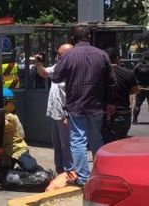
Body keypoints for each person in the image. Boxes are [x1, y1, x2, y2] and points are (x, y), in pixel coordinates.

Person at [51, 25, 117, 186]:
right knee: (96, 139)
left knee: (78, 141)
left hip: (76, 106)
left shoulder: (68, 56)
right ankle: (100, 174)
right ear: (89, 37)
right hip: (96, 106)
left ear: (72, 39)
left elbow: (56, 77)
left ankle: (83, 178)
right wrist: (110, 103)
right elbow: (112, 82)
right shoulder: (102, 55)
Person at [0, 88, 53, 187]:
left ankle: (41, 172)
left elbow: (20, 132)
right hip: (6, 152)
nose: (12, 105)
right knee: (3, 172)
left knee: (31, 167)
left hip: (17, 149)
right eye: (10, 102)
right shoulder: (1, 115)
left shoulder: (10, 117)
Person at [35, 44, 74, 175]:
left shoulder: (74, 69)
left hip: (65, 113)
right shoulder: (58, 66)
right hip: (55, 112)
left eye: (61, 56)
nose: (58, 58)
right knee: (57, 145)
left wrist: (69, 115)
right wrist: (38, 63)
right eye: (58, 55)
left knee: (67, 145)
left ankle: (70, 171)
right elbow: (44, 73)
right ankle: (60, 170)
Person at [101, 48, 139, 143]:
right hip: (123, 113)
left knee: (104, 145)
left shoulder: (99, 73)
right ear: (118, 58)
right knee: (120, 144)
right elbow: (135, 90)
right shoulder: (128, 73)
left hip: (103, 113)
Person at [133, 52, 149, 125]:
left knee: (137, 104)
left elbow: (133, 74)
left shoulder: (138, 65)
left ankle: (134, 120)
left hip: (140, 87)